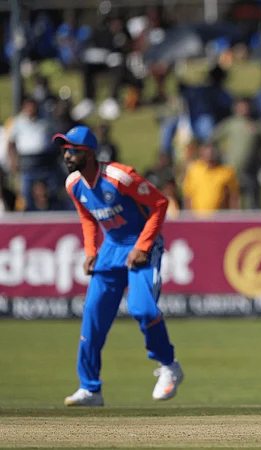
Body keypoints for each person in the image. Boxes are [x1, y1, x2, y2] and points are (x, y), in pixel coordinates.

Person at [55, 125, 182, 407]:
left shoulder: (119, 176)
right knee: (93, 316)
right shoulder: (73, 184)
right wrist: (91, 251)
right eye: (64, 150)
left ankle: (169, 365)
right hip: (111, 249)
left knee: (142, 308)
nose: (66, 156)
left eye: (72, 150)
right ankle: (90, 388)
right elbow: (88, 218)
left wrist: (142, 247)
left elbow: (160, 204)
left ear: (88, 153)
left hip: (142, 243)